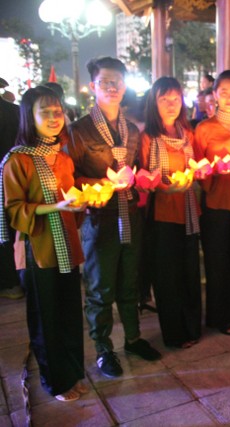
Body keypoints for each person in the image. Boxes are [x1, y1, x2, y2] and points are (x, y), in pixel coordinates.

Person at [67, 57, 160, 378]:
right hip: (100, 218)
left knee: (129, 281)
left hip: (130, 212)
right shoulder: (79, 130)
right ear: (93, 86)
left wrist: (143, 178)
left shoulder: (131, 130)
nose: (112, 87)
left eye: (117, 82)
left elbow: (135, 169)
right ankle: (103, 348)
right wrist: (102, 184)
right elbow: (69, 178)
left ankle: (132, 338)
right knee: (100, 287)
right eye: (105, 82)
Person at [1, 86, 86, 401]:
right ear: (29, 116)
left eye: (58, 112)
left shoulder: (61, 156)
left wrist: (82, 203)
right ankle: (55, 381)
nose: (53, 118)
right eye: (45, 112)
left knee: (69, 313)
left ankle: (72, 372)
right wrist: (55, 207)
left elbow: (69, 198)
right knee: (45, 318)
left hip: (67, 247)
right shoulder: (17, 160)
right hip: (38, 250)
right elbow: (14, 210)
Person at [139, 77, 201, 348]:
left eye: (175, 98)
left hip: (188, 210)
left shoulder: (187, 134)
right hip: (162, 215)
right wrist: (165, 187)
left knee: (189, 271)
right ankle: (174, 333)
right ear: (154, 103)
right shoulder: (148, 137)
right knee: (168, 276)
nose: (171, 104)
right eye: (164, 99)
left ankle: (193, 327)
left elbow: (196, 166)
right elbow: (142, 178)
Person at [194, 70, 230, 335]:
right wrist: (214, 171)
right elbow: (197, 165)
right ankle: (221, 317)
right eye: (224, 92)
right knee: (218, 261)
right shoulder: (204, 128)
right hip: (216, 201)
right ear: (215, 95)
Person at [0, 79, 23, 299]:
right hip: (16, 178)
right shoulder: (16, 112)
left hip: (7, 177)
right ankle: (15, 280)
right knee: (12, 228)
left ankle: (9, 282)